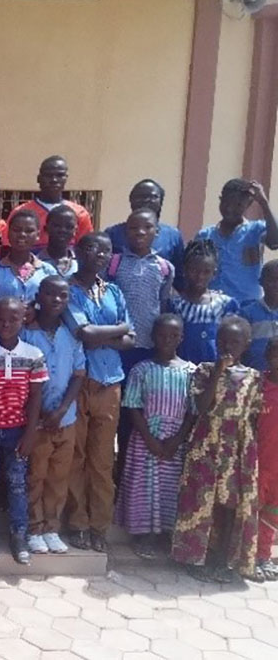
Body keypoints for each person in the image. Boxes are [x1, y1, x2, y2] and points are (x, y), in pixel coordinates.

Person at [172, 316, 262, 583]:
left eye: (234, 342)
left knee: (229, 503)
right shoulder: (204, 370)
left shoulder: (253, 377)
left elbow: (254, 416)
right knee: (200, 499)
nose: (227, 346)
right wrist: (219, 371)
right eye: (222, 340)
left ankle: (224, 559)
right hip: (207, 442)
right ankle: (194, 556)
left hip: (238, 447)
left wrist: (247, 451)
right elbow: (201, 406)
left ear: (246, 344)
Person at [63, 232, 135, 553]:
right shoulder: (67, 290)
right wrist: (117, 330)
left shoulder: (114, 292)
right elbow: (85, 334)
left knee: (103, 459)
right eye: (91, 248)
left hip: (110, 383)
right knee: (75, 456)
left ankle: (99, 525)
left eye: (105, 251)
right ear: (78, 251)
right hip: (78, 383)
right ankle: (77, 522)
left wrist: (111, 334)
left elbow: (130, 340)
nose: (99, 255)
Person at [0, 297, 48, 565]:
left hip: (18, 432)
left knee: (17, 485)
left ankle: (19, 536)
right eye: (1, 319)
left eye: (13, 319)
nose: (6, 324)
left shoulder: (33, 355)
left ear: (24, 319)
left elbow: (36, 398)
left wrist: (30, 434)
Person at [114, 313, 194, 560]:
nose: (167, 339)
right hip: (146, 437)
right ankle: (143, 535)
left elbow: (193, 410)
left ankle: (164, 535)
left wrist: (178, 438)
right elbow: (133, 405)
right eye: (161, 335)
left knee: (169, 488)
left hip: (175, 441)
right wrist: (149, 438)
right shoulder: (142, 369)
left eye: (173, 335)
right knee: (145, 487)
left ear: (181, 337)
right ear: (152, 337)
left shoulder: (191, 371)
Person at [107, 208, 175, 474]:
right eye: (134, 228)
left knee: (142, 412)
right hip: (119, 349)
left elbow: (164, 305)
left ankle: (136, 471)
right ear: (126, 231)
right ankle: (118, 468)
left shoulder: (164, 267)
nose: (140, 233)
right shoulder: (114, 263)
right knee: (119, 412)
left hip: (147, 351)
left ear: (156, 232)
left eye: (147, 228)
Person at [21, 275, 86, 555]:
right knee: (35, 474)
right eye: (50, 295)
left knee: (59, 476)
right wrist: (40, 413)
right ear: (39, 297)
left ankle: (51, 527)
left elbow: (79, 374)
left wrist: (61, 410)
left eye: (63, 296)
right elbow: (20, 379)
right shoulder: (26, 333)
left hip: (65, 417)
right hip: (36, 420)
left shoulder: (72, 335)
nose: (56, 301)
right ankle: (33, 528)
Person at [194, 179, 278, 303]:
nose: (229, 209)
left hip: (246, 305)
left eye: (238, 205)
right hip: (213, 305)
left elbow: (275, 242)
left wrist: (264, 203)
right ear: (220, 199)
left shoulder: (255, 230)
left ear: (248, 205)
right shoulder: (205, 235)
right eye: (226, 202)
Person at [168, 240, 239, 364]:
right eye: (194, 270)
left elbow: (233, 340)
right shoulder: (176, 305)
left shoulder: (226, 305)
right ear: (184, 270)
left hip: (214, 372)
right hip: (182, 371)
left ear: (214, 273)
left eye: (206, 272)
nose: (200, 276)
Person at [105, 179, 184, 283]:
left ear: (161, 201)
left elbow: (179, 276)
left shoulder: (173, 235)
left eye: (153, 197)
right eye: (140, 197)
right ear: (131, 201)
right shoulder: (112, 234)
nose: (147, 200)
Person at [7, 155, 93, 248]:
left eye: (59, 175)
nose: (54, 180)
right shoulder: (21, 213)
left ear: (66, 178)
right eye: (48, 175)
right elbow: (8, 247)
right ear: (39, 179)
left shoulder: (80, 213)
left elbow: (86, 248)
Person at [0, 210, 57, 310]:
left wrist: (36, 312)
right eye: (16, 230)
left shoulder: (48, 271)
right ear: (8, 233)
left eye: (29, 231)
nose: (22, 234)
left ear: (38, 235)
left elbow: (53, 306)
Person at [253, 337, 278, 581]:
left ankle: (264, 556)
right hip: (258, 462)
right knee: (251, 510)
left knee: (272, 512)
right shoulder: (257, 386)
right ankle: (246, 558)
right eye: (275, 354)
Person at [240, 259, 278, 370]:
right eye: (271, 280)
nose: (276, 285)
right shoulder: (247, 313)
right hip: (255, 376)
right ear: (261, 281)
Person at [36, 205, 78, 277]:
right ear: (46, 229)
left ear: (75, 231)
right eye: (57, 226)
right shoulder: (36, 263)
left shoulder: (80, 263)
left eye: (69, 227)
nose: (63, 230)